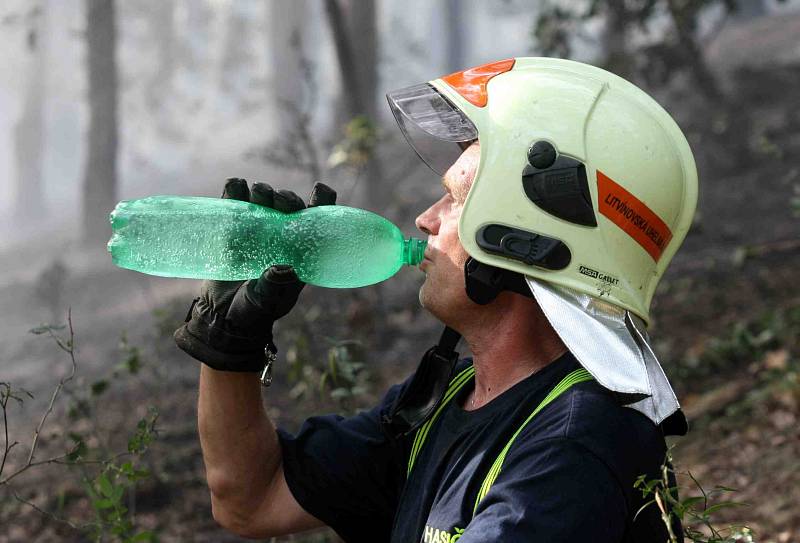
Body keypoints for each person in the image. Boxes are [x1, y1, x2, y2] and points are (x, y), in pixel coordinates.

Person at [174, 57, 698, 542]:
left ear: (522, 240)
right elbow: (251, 500)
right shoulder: (448, 398)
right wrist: (230, 348)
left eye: (456, 198)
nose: (426, 219)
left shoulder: (571, 446)